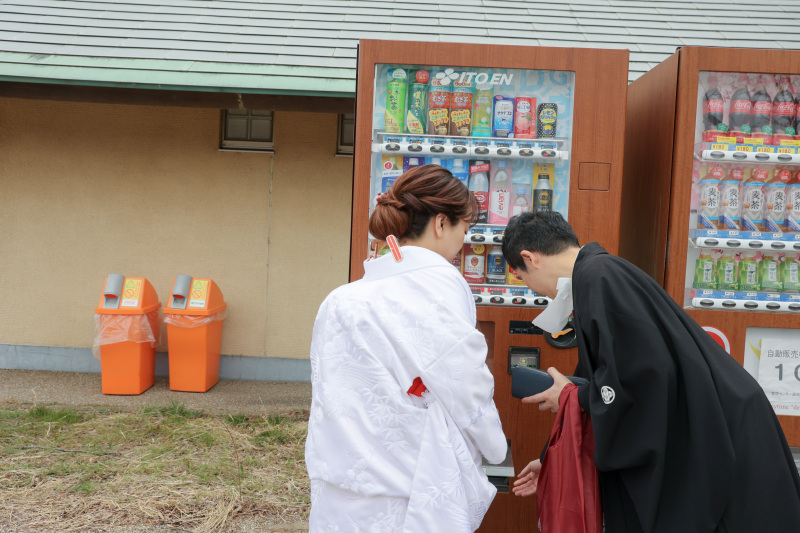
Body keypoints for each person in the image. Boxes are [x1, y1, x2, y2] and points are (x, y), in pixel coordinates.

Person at [503, 211, 800, 533]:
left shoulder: (596, 277)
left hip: (720, 441)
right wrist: (552, 457)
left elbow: (637, 378)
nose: (535, 291)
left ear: (529, 258)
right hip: (721, 425)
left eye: (523, 279)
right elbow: (609, 374)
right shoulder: (601, 272)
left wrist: (573, 396)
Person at [305, 164, 507, 532]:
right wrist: (494, 444)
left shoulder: (340, 298)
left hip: (340, 475)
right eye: (464, 229)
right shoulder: (437, 284)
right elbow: (463, 379)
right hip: (408, 481)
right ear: (442, 223)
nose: (463, 242)